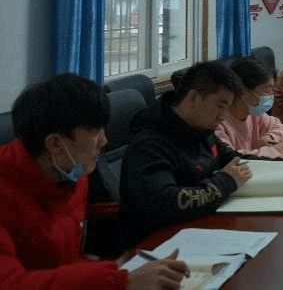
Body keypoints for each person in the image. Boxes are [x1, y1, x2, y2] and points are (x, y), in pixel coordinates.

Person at [0, 73, 190, 289]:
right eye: (95, 132)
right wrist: (119, 280)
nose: (104, 141)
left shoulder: (72, 173)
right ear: (55, 144)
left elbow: (64, 260)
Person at [120, 61, 254, 247]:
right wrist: (225, 182)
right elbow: (168, 202)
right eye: (220, 106)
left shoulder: (201, 128)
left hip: (202, 227)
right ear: (193, 98)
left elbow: (234, 159)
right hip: (159, 244)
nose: (223, 117)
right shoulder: (150, 145)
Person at [216, 57, 283, 159]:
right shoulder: (217, 121)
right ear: (243, 91)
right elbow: (230, 158)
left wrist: (271, 138)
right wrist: (276, 151)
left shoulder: (255, 115)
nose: (271, 96)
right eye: (266, 91)